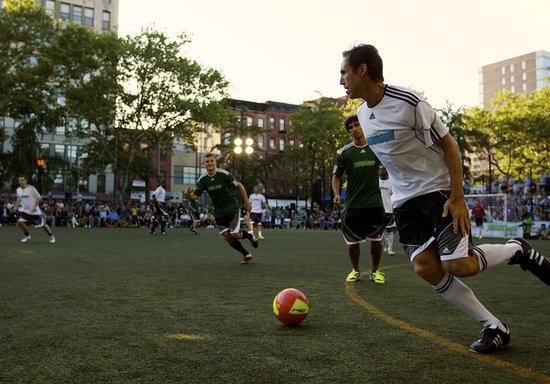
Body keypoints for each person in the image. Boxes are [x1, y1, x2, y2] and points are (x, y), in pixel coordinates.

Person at [340, 44, 550, 354]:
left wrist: (458, 196)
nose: (340, 80)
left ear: (362, 70)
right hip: (404, 203)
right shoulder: (361, 113)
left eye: (343, 72)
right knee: (426, 268)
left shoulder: (410, 102)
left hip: (438, 193)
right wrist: (388, 172)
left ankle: (517, 250)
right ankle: (494, 326)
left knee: (458, 265)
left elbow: (450, 147)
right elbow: (394, 150)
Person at [332, 115, 389, 284]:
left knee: (376, 240)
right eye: (350, 127)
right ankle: (355, 270)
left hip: (374, 204)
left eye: (356, 125)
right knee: (353, 242)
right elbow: (336, 177)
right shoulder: (345, 152)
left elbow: (387, 168)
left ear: (363, 125)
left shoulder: (376, 148)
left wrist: (385, 172)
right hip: (353, 204)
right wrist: (336, 194)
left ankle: (375, 271)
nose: (354, 129)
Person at [186, 153, 258, 264]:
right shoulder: (203, 179)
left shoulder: (224, 174)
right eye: (207, 161)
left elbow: (240, 186)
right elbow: (195, 196)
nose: (209, 163)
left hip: (232, 209)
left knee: (234, 234)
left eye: (211, 161)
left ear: (215, 162)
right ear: (204, 164)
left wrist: (246, 202)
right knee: (226, 236)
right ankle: (246, 254)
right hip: (218, 212)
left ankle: (249, 235)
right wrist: (188, 194)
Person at [12, 175, 56, 243]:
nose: (20, 181)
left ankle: (51, 236)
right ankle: (27, 236)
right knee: (21, 222)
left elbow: (39, 198)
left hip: (35, 211)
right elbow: (18, 199)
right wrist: (15, 207)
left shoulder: (31, 188)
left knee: (44, 225)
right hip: (25, 211)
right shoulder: (18, 190)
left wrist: (35, 206)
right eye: (19, 180)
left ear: (26, 180)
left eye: (22, 180)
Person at [379, 165, 396, 255]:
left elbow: (394, 195)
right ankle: (386, 243)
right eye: (381, 169)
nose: (382, 170)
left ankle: (390, 249)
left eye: (384, 169)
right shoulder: (376, 181)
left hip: (388, 209)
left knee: (390, 230)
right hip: (378, 209)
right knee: (379, 230)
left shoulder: (391, 182)